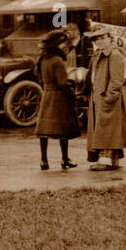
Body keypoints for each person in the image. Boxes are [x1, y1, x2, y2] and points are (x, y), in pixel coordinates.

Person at [85, 27, 126, 171]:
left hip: (107, 97)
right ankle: (113, 160)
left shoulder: (114, 55)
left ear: (110, 38)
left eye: (102, 38)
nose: (99, 41)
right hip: (99, 96)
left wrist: (109, 97)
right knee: (105, 128)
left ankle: (105, 160)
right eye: (96, 39)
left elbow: (116, 80)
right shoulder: (100, 54)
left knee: (107, 129)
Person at [34, 31, 78, 171]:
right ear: (57, 45)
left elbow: (39, 78)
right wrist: (72, 95)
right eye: (63, 44)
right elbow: (62, 83)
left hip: (47, 94)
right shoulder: (57, 61)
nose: (65, 46)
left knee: (44, 130)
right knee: (62, 129)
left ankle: (43, 160)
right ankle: (65, 159)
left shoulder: (42, 59)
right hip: (59, 97)